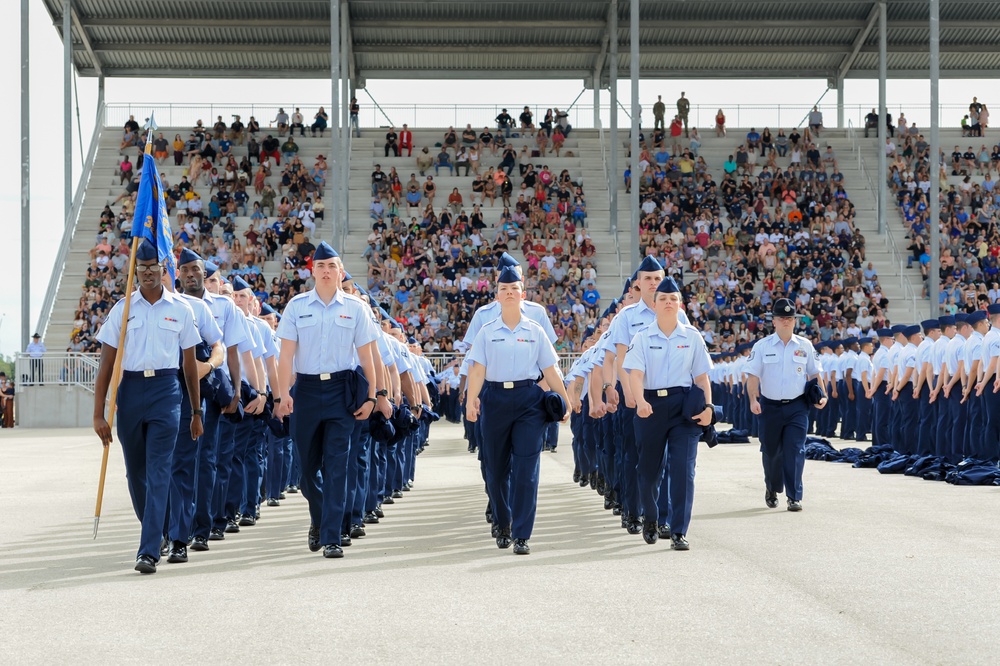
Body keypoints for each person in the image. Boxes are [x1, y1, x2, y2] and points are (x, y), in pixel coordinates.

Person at [92, 239, 204, 574]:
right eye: (141, 268)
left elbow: (190, 366)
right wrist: (99, 412)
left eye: (153, 267)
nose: (147, 273)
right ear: (135, 272)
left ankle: (149, 550)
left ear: (163, 269)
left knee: (159, 472)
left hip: (167, 391)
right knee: (136, 474)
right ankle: (158, 528)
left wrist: (196, 412)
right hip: (131, 392)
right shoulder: (123, 309)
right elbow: (107, 366)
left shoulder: (181, 310)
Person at [273, 242, 379, 559]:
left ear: (340, 271)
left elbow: (366, 357)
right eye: (321, 266)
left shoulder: (356, 309)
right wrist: (281, 396)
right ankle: (320, 519)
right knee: (306, 471)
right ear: (313, 271)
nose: (327, 271)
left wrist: (373, 395)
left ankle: (332, 536)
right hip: (304, 391)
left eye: (332, 266)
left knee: (337, 467)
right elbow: (285, 356)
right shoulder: (296, 306)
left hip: (340, 392)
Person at [465, 265, 570, 556]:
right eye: (503, 289)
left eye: (514, 289)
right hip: (495, 399)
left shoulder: (535, 331)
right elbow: (477, 371)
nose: (509, 293)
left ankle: (522, 533)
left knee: (527, 469)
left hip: (528, 402)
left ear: (523, 294)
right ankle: (502, 522)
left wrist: (564, 400)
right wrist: (471, 400)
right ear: (496, 296)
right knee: (495, 470)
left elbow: (551, 369)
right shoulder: (487, 332)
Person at [625, 276, 713, 550]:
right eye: (663, 298)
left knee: (683, 469)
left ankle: (678, 530)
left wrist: (709, 408)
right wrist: (639, 401)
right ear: (654, 303)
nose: (668, 303)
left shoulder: (692, 337)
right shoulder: (642, 337)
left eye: (673, 299)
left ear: (680, 304)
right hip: (650, 406)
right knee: (649, 472)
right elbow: (635, 375)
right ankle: (651, 518)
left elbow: (701, 378)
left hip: (682, 408)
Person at [164, 249, 226, 564]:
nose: (190, 274)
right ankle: (164, 529)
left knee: (193, 464)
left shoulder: (202, 307)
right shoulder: (140, 306)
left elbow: (223, 347)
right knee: (156, 467)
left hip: (195, 390)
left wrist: (210, 368)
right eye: (183, 269)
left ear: (204, 273)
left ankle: (190, 532)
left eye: (195, 269)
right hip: (156, 390)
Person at [745, 298, 827, 512]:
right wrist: (753, 399)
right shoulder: (762, 346)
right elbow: (752, 376)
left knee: (795, 449)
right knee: (771, 452)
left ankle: (794, 496)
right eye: (782, 318)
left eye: (790, 318)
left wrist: (823, 395)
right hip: (770, 407)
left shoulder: (805, 345)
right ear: (774, 321)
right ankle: (772, 487)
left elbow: (815, 373)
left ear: (794, 321)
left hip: (797, 407)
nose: (786, 322)